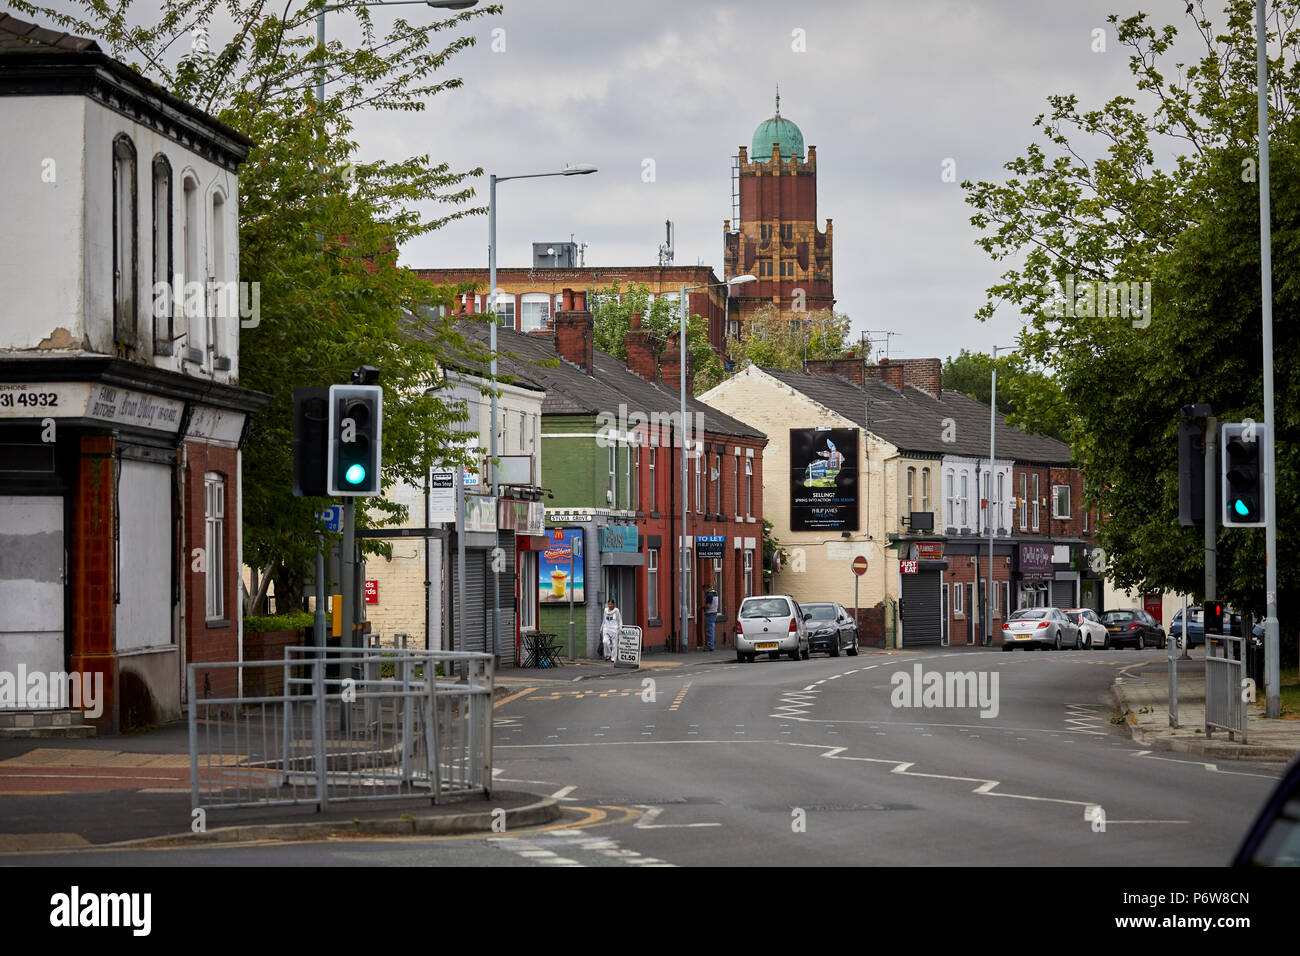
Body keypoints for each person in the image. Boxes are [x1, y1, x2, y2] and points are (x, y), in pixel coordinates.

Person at [702, 583, 719, 651]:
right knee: (711, 629)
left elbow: (708, 606)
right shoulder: (715, 593)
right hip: (714, 613)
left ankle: (710, 646)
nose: (704, 592)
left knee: (710, 630)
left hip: (710, 613)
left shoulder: (709, 595)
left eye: (704, 590)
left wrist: (701, 607)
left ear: (706, 588)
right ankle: (710, 645)